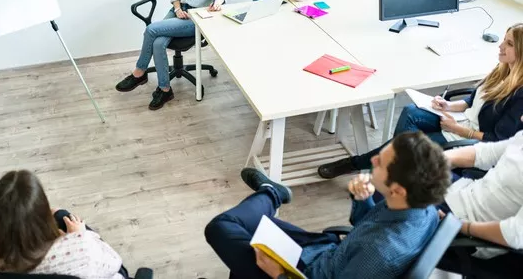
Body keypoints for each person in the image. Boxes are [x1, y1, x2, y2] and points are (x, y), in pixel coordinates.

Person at [205, 132, 450, 279]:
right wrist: (362, 199)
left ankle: (271, 193)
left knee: (221, 227)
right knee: (247, 228)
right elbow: (364, 227)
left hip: (305, 272)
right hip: (326, 252)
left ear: (397, 189)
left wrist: (277, 274)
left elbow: (371, 243)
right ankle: (271, 193)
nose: (373, 158)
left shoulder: (380, 253)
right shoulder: (422, 206)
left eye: (380, 163)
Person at [319, 23, 523, 179]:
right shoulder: (502, 70)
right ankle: (396, 170)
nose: (500, 45)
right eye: (503, 40)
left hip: (470, 138)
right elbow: (473, 100)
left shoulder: (520, 93)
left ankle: (358, 164)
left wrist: (459, 130)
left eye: (509, 44)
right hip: (459, 121)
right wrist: (449, 106)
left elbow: (497, 139)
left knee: (407, 145)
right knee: (410, 112)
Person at [0, 170, 128, 278]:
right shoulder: (81, 249)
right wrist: (80, 235)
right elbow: (114, 263)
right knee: (62, 215)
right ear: (44, 217)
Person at [436, 122, 523, 274]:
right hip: (463, 192)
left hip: (468, 226)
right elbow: (487, 153)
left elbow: (515, 233)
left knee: (393, 199)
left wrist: (461, 226)